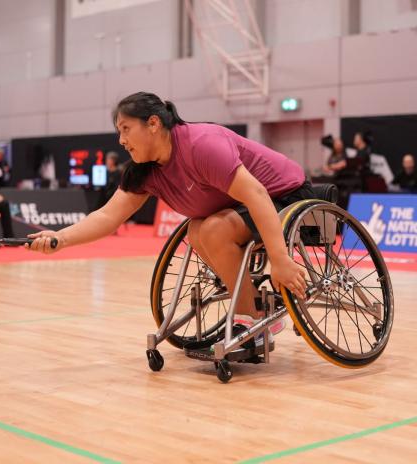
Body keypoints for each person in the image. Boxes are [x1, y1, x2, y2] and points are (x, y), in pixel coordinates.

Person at [27, 92, 312, 344]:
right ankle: (257, 313)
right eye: (119, 132)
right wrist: (60, 237)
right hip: (240, 206)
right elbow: (107, 216)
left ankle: (250, 319)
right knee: (197, 230)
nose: (121, 140)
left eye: (126, 129)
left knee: (213, 229)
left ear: (153, 124)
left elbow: (258, 195)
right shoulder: (145, 170)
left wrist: (280, 261)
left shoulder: (201, 145)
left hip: (284, 194)